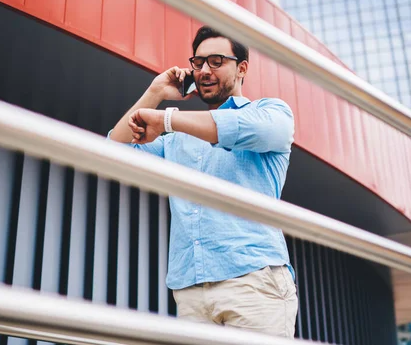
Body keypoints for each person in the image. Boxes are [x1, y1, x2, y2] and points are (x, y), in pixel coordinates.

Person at [108, 26, 297, 338]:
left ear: (242, 68)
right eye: (198, 63)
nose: (205, 70)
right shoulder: (176, 139)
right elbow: (113, 151)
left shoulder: (271, 113)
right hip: (190, 292)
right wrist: (155, 93)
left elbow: (233, 128)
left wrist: (165, 119)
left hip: (254, 283)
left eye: (217, 61)